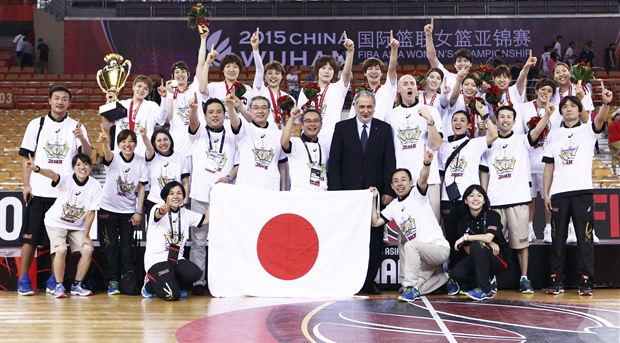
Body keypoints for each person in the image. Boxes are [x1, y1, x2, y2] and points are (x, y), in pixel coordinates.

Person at [16, 86, 91, 296]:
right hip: (39, 191)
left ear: (69, 103)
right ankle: (23, 279)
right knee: (30, 239)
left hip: (63, 193)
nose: (60, 102)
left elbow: (87, 157)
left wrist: (82, 139)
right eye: (56, 98)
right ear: (49, 101)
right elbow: (26, 157)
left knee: (56, 243)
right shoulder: (36, 124)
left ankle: (53, 279)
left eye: (64, 99)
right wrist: (27, 184)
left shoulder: (76, 126)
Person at [542, 84, 613, 296]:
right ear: (561, 111)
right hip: (559, 193)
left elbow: (600, 119)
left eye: (573, 106)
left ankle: (585, 281)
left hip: (582, 191)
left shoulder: (587, 130)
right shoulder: (553, 136)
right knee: (558, 239)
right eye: (565, 107)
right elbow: (549, 167)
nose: (569, 109)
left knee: (585, 237)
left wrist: (606, 103)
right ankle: (556, 280)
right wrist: (546, 194)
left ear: (579, 110)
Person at [328, 90, 396, 294]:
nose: (365, 111)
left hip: (375, 196)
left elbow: (389, 162)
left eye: (369, 107)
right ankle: (348, 280)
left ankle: (368, 281)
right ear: (354, 107)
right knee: (348, 238)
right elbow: (335, 164)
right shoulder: (342, 128)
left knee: (375, 239)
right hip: (348, 197)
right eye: (361, 107)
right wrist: (338, 194)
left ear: (374, 108)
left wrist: (387, 190)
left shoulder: (384, 129)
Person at [481, 104, 553, 294]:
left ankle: (524, 278)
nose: (505, 120)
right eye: (501, 117)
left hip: (518, 200)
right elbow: (485, 173)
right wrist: (483, 196)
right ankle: (492, 277)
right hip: (495, 202)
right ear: (496, 120)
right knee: (492, 244)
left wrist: (547, 114)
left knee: (521, 244)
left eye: (508, 117)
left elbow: (537, 131)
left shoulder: (522, 140)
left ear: (514, 121)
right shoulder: (488, 142)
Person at [370, 160, 450, 301]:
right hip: (421, 258)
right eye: (395, 181)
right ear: (391, 186)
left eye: (403, 180)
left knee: (409, 245)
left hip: (438, 249)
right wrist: (373, 199)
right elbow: (376, 222)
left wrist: (426, 163)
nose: (399, 184)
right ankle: (446, 277)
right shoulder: (393, 205)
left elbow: (423, 179)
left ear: (411, 182)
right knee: (406, 288)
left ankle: (410, 287)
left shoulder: (418, 195)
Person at [23, 153, 101, 298]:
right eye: (78, 164)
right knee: (61, 251)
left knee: (88, 249)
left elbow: (91, 213)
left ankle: (77, 285)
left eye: (85, 164)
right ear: (73, 168)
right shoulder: (66, 178)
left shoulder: (95, 186)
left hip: (76, 226)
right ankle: (58, 286)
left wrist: (86, 236)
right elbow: (52, 174)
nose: (82, 167)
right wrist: (37, 169)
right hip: (55, 222)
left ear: (90, 167)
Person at [188, 96, 238, 295]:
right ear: (205, 115)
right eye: (211, 112)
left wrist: (228, 177)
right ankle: (198, 281)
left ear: (224, 115)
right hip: (200, 197)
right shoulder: (198, 133)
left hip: (225, 198)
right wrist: (193, 110)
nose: (215, 115)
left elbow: (238, 164)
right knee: (198, 242)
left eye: (219, 111)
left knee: (226, 241)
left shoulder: (234, 136)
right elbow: (193, 123)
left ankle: (224, 279)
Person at [439, 104, 498, 268]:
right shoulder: (443, 146)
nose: (458, 123)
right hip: (448, 199)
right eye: (455, 120)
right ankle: (453, 273)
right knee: (451, 237)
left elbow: (494, 135)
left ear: (468, 125)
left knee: (469, 236)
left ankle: (469, 273)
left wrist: (485, 115)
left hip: (469, 199)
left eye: (462, 120)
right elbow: (441, 175)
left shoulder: (474, 143)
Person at [385, 74, 443, 222]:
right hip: (403, 182)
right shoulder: (391, 115)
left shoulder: (431, 111)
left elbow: (436, 145)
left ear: (417, 90)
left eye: (412, 83)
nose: (409, 86)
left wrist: (429, 121)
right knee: (406, 227)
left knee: (432, 224)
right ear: (398, 89)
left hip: (430, 179)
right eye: (405, 84)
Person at [97, 128, 148, 295]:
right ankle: (112, 281)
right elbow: (107, 155)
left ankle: (127, 279)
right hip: (107, 210)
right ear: (118, 144)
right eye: (123, 141)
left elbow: (141, 188)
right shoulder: (113, 157)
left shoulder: (141, 161)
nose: (127, 144)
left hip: (128, 212)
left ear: (135, 144)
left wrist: (138, 211)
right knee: (109, 247)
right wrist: (105, 143)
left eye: (131, 141)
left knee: (127, 248)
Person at [142, 181, 208, 301]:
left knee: (196, 273)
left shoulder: (186, 213)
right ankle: (149, 284)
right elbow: (158, 214)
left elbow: (206, 220)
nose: (176, 196)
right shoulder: (156, 208)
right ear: (165, 197)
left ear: (183, 196)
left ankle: (175, 284)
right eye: (171, 193)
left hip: (176, 259)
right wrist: (162, 211)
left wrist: (211, 200)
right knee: (173, 295)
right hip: (157, 261)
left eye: (179, 193)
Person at [448, 185, 510, 301]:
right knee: (457, 273)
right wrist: (487, 243)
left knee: (476, 245)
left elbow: (488, 237)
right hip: (477, 256)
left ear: (484, 200)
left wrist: (467, 237)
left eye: (479, 195)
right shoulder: (462, 222)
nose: (475, 199)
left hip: (498, 257)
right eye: (471, 196)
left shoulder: (493, 215)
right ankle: (488, 279)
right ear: (466, 201)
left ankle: (485, 290)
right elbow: (467, 250)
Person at [297, 31, 354, 148]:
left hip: (331, 139)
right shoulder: (306, 89)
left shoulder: (338, 88)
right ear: (317, 70)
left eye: (330, 69)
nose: (327, 71)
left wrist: (350, 51)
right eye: (323, 68)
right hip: (309, 138)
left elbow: (347, 73)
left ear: (335, 72)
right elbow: (300, 115)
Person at [160, 28, 210, 156]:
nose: (180, 74)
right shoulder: (169, 94)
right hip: (177, 145)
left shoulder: (195, 88)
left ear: (188, 74)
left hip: (197, 142)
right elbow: (167, 117)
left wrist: (203, 39)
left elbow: (201, 63)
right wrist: (169, 95)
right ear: (172, 76)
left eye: (183, 71)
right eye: (177, 72)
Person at [520, 79, 558, 243]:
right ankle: (529, 228)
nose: (545, 93)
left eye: (549, 91)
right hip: (528, 160)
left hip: (547, 162)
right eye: (542, 89)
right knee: (529, 199)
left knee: (548, 198)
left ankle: (548, 228)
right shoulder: (524, 108)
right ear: (536, 91)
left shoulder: (556, 111)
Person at [227, 94, 287, 191]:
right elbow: (234, 121)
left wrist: (283, 188)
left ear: (269, 112)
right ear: (250, 111)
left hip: (271, 188)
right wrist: (230, 107)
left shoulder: (278, 133)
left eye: (264, 108)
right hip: (246, 189)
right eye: (256, 108)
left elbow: (282, 164)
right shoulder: (244, 129)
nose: (260, 111)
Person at [102, 75, 165, 157]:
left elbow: (162, 120)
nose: (141, 90)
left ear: (148, 92)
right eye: (139, 86)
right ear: (133, 87)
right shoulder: (121, 104)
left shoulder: (151, 106)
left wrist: (164, 98)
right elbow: (106, 125)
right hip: (121, 155)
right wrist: (109, 104)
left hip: (142, 155)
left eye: (146, 88)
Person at [140, 127, 190, 219]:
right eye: (159, 140)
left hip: (175, 202)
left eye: (165, 139)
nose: (163, 143)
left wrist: (185, 203)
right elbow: (149, 147)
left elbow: (185, 183)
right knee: (155, 231)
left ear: (170, 141)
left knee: (174, 232)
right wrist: (144, 136)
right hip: (155, 202)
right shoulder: (152, 157)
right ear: (154, 144)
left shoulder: (181, 157)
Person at [348, 31, 399, 121]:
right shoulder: (359, 95)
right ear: (364, 73)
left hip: (383, 131)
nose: (374, 72)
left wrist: (394, 50)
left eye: (377, 68)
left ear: (382, 72)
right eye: (370, 69)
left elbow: (392, 69)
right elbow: (352, 117)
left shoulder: (388, 89)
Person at [281, 107, 328, 191]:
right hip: (300, 195)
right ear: (301, 125)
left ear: (321, 125)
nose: (312, 124)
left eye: (316, 121)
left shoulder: (324, 148)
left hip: (321, 195)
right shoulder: (295, 143)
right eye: (308, 121)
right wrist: (292, 118)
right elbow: (284, 142)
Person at [425, 18, 472, 91]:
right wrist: (428, 35)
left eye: (465, 60)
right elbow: (431, 57)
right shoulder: (447, 77)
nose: (462, 63)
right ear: (454, 65)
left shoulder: (476, 82)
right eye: (459, 61)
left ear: (471, 64)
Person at [446, 72, 483, 138]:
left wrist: (482, 129)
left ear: (478, 88)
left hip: (474, 142)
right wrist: (459, 81)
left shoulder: (480, 104)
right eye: (466, 84)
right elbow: (454, 96)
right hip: (455, 142)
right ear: (461, 87)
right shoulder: (457, 99)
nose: (469, 88)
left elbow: (483, 134)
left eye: (473, 85)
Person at [609, 110, 620, 175]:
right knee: (617, 155)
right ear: (615, 117)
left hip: (610, 142)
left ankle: (614, 170)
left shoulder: (610, 124)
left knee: (614, 157)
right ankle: (618, 154)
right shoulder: (618, 124)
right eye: (618, 116)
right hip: (617, 140)